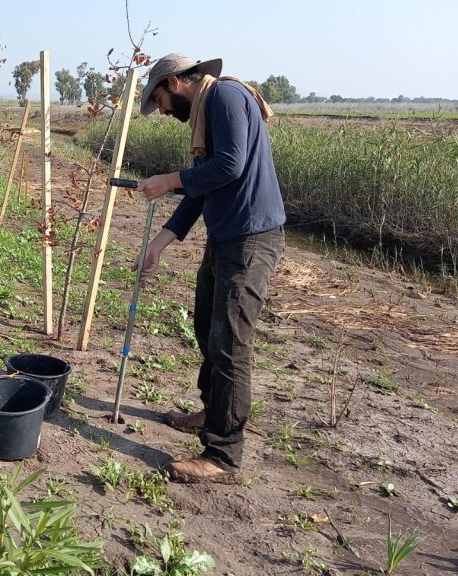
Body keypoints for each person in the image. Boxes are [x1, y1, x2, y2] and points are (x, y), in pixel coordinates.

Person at [134, 53, 286, 483]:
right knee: (207, 327)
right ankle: (212, 411)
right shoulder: (205, 113)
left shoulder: (224, 97)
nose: (162, 111)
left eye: (160, 100)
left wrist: (170, 178)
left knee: (230, 343)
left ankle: (223, 456)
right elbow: (201, 189)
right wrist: (159, 245)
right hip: (227, 236)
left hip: (251, 239)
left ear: (176, 83)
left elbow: (230, 165)